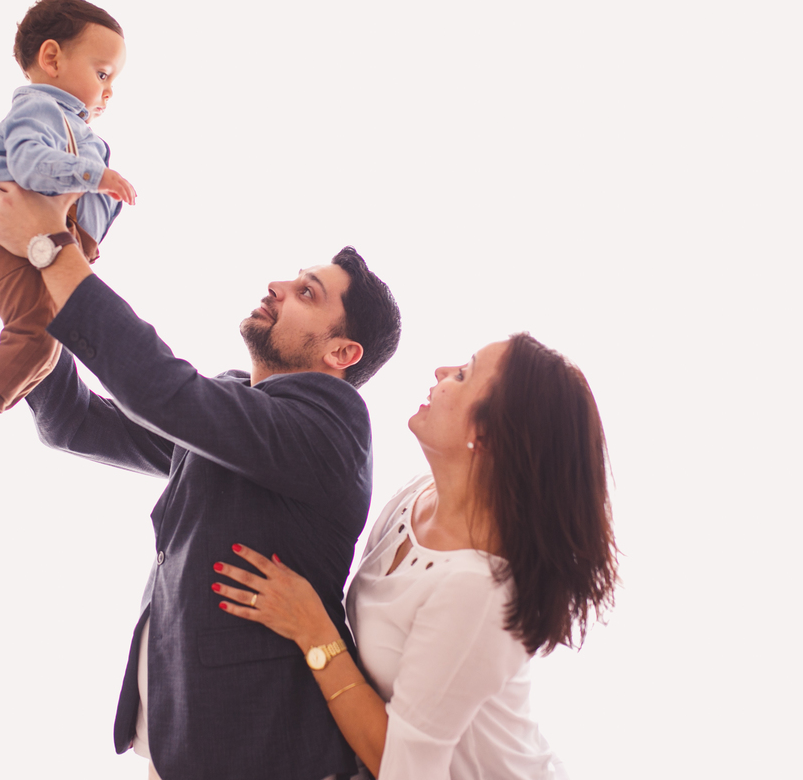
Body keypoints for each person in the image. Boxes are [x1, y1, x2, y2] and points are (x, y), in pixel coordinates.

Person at [0, 180, 403, 780]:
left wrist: (51, 248)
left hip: (264, 760)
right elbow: (75, 421)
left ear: (341, 354)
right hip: (182, 746)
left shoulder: (330, 427)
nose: (277, 287)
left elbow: (160, 389)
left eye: (307, 292)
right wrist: (25, 291)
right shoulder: (237, 409)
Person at [213, 334, 619, 779]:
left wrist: (314, 633)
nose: (441, 372)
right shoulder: (419, 495)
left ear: (485, 435)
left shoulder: (476, 590)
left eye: (462, 375)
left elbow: (405, 772)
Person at [0, 0, 137, 487]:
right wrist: (95, 175)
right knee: (38, 337)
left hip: (48, 245)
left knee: (50, 345)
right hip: (14, 242)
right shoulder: (39, 108)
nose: (109, 92)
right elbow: (27, 163)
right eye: (102, 74)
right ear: (52, 58)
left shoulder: (77, 128)